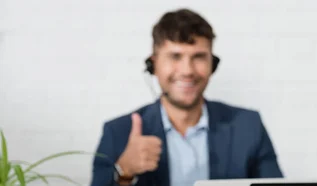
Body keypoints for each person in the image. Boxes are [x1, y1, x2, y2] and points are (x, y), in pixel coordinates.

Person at [91, 8, 283, 186]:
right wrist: (123, 172)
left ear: (213, 64)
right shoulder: (117, 133)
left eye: (199, 57)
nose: (187, 71)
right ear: (153, 65)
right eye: (175, 56)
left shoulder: (249, 126)